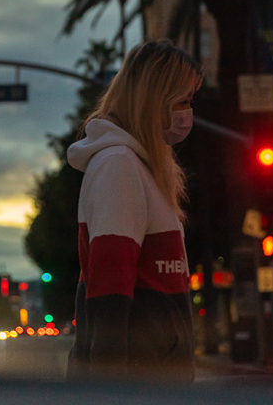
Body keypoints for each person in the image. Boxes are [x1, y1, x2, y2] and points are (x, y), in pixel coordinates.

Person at [66, 40, 203, 383]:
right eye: (182, 100)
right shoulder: (119, 166)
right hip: (141, 386)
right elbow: (108, 294)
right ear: (154, 100)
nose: (188, 112)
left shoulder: (138, 166)